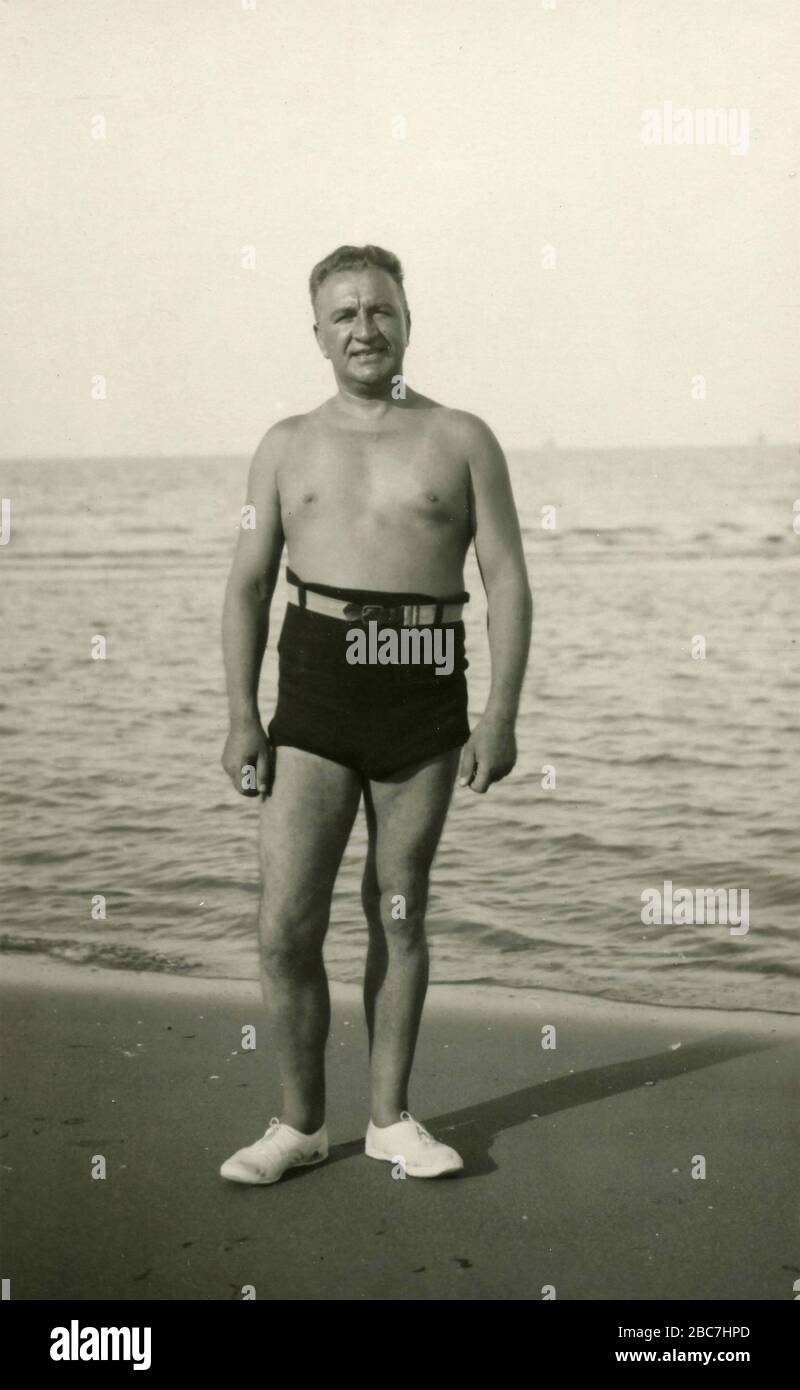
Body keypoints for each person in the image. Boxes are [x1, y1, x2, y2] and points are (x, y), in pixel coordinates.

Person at [219, 244, 532, 1183]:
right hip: (315, 677)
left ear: (407, 320)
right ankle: (299, 1124)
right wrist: (241, 716)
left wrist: (501, 715)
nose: (365, 327)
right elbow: (246, 586)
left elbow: (508, 580)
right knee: (285, 925)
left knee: (397, 907)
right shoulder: (283, 445)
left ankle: (393, 1120)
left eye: (381, 309)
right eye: (345, 313)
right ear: (316, 332)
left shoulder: (463, 437)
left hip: (422, 672)